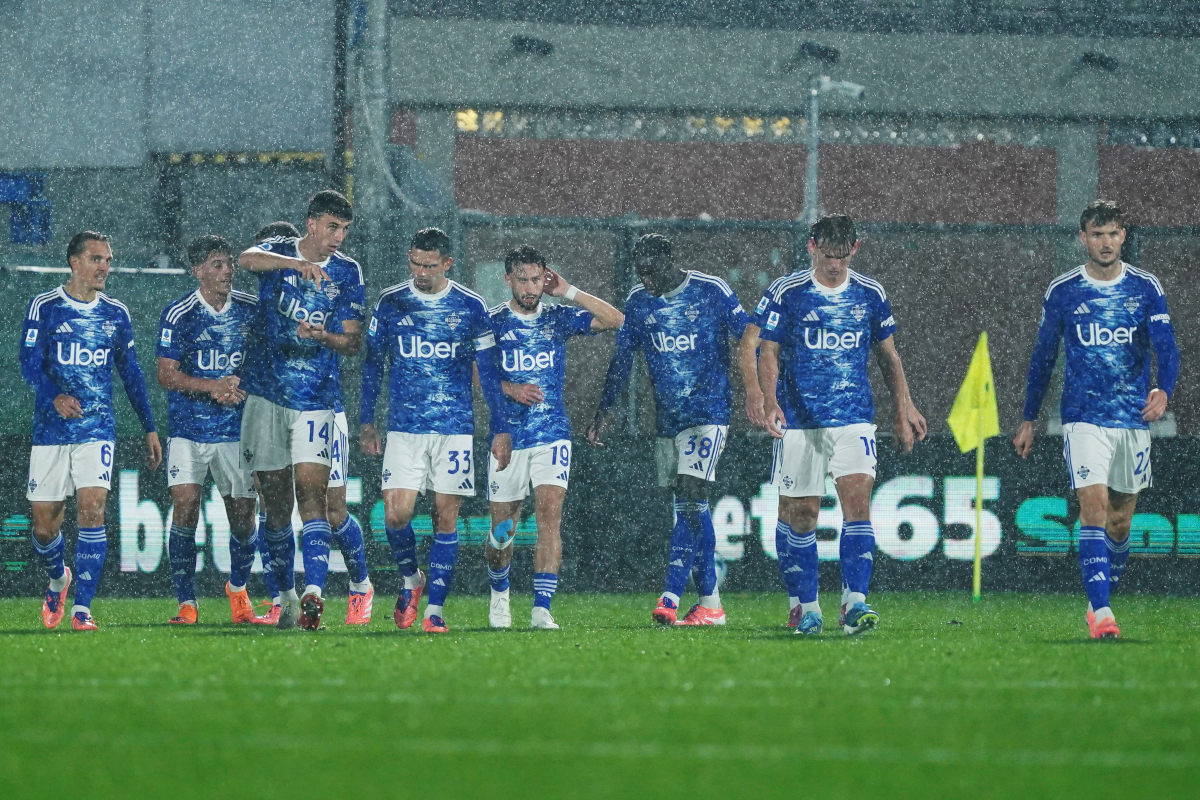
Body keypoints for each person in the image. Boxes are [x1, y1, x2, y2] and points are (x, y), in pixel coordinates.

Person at [1014, 200, 1179, 640]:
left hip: (1132, 419)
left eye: (1113, 234)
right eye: (1097, 234)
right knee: (1093, 508)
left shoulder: (1146, 287)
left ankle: (1096, 601)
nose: (1105, 242)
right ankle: (1104, 613)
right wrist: (1030, 417)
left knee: (1121, 522)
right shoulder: (1064, 290)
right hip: (1083, 418)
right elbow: (1043, 357)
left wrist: (1164, 389)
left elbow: (1167, 346)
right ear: (1083, 238)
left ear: (1123, 236)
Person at [756, 215, 926, 636]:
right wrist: (770, 399)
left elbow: (889, 358)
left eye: (842, 255)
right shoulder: (788, 291)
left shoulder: (869, 293)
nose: (834, 264)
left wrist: (903, 408)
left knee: (858, 507)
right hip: (801, 422)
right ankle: (807, 607)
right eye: (827, 254)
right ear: (812, 247)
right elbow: (768, 352)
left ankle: (855, 604)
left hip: (854, 419)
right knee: (803, 515)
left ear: (855, 248)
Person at [589, 233, 748, 626]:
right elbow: (623, 358)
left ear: (670, 260)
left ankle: (670, 596)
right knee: (689, 510)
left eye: (652, 271)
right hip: (668, 422)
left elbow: (751, 337)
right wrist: (605, 408)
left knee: (692, 493)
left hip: (708, 413)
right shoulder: (638, 301)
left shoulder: (711, 291)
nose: (647, 280)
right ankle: (711, 604)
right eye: (640, 272)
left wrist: (761, 393)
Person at [359, 227, 512, 634]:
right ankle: (412, 579)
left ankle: (435, 611)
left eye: (429, 265)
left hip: (454, 429)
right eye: (415, 263)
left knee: (447, 518)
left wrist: (499, 428)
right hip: (405, 429)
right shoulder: (391, 303)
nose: (421, 271)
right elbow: (373, 364)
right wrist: (366, 420)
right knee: (396, 515)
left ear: (447, 263)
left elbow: (491, 375)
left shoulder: (470, 306)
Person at [237, 190, 365, 630]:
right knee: (275, 505)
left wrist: (322, 337)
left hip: (316, 400)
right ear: (311, 224)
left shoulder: (348, 272)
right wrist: (296, 265)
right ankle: (287, 598)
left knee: (315, 497)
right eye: (332, 226)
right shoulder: (277, 254)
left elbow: (352, 342)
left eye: (345, 229)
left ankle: (314, 590)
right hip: (266, 395)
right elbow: (245, 259)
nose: (338, 237)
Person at [22, 231, 161, 631]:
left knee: (92, 511)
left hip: (97, 428)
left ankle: (82, 609)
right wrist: (54, 397)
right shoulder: (44, 306)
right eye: (97, 258)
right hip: (51, 430)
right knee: (44, 526)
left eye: (108, 260)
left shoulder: (116, 313)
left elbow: (131, 375)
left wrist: (149, 427)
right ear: (74, 262)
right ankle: (57, 577)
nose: (104, 267)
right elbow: (28, 363)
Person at [484, 245, 623, 629]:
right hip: (507, 436)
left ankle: (541, 608)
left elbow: (615, 320)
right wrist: (511, 390)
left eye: (536, 279)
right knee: (503, 529)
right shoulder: (492, 322)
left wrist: (570, 291)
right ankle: (500, 598)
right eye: (523, 279)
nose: (531, 287)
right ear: (508, 279)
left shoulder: (557, 318)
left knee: (549, 517)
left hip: (553, 435)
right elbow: (476, 373)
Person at [157, 235, 258, 625]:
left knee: (244, 519)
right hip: (188, 429)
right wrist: (212, 387)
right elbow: (166, 375)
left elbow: (266, 358)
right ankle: (187, 602)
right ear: (198, 271)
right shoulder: (179, 313)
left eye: (229, 262)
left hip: (237, 429)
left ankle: (238, 589)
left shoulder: (250, 309)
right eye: (217, 264)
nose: (227, 270)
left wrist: (240, 385)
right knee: (185, 509)